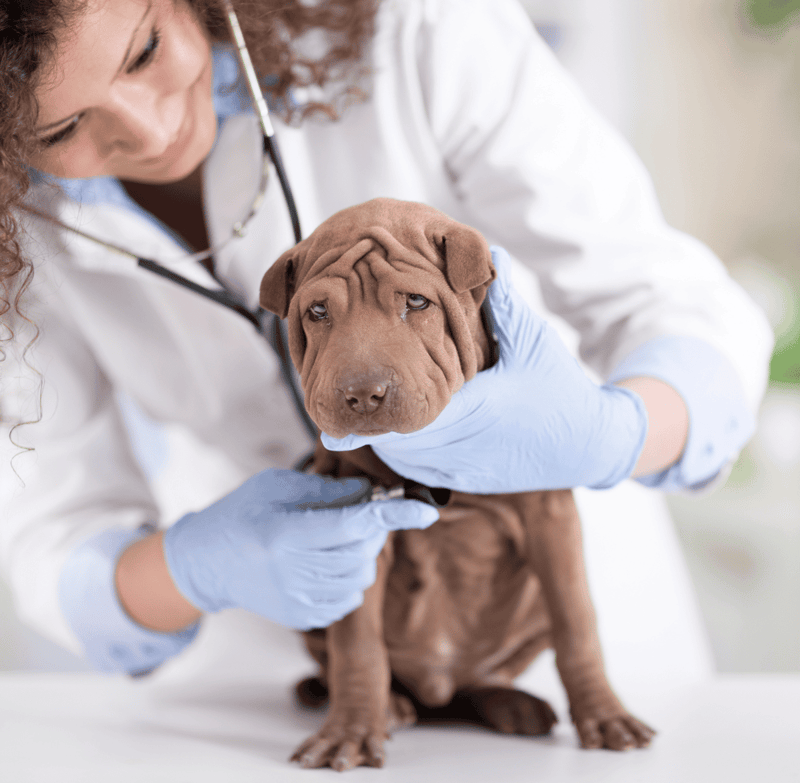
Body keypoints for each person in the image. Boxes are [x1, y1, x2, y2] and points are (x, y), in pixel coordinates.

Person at [0, 0, 772, 680]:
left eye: (146, 51)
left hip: (540, 602)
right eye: (61, 126)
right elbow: (54, 533)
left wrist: (614, 435)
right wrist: (195, 569)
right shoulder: (17, 233)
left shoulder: (417, 29)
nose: (152, 128)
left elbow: (670, 301)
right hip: (298, 649)